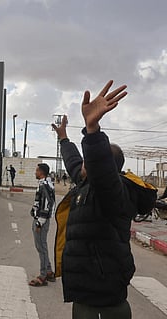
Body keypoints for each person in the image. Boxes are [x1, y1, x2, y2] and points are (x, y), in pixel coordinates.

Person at [52, 81, 157, 318]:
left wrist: (93, 130)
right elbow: (74, 163)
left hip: (105, 289)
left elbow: (99, 168)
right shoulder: (85, 181)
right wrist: (64, 139)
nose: (84, 165)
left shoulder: (113, 191)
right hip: (85, 290)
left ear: (104, 167)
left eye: (90, 161)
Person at [28, 163, 56, 287]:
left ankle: (43, 276)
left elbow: (46, 206)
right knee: (42, 246)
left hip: (41, 220)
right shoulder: (46, 184)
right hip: (42, 219)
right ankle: (49, 271)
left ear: (41, 172)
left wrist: (39, 222)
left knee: (41, 248)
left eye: (36, 171)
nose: (35, 173)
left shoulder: (44, 186)